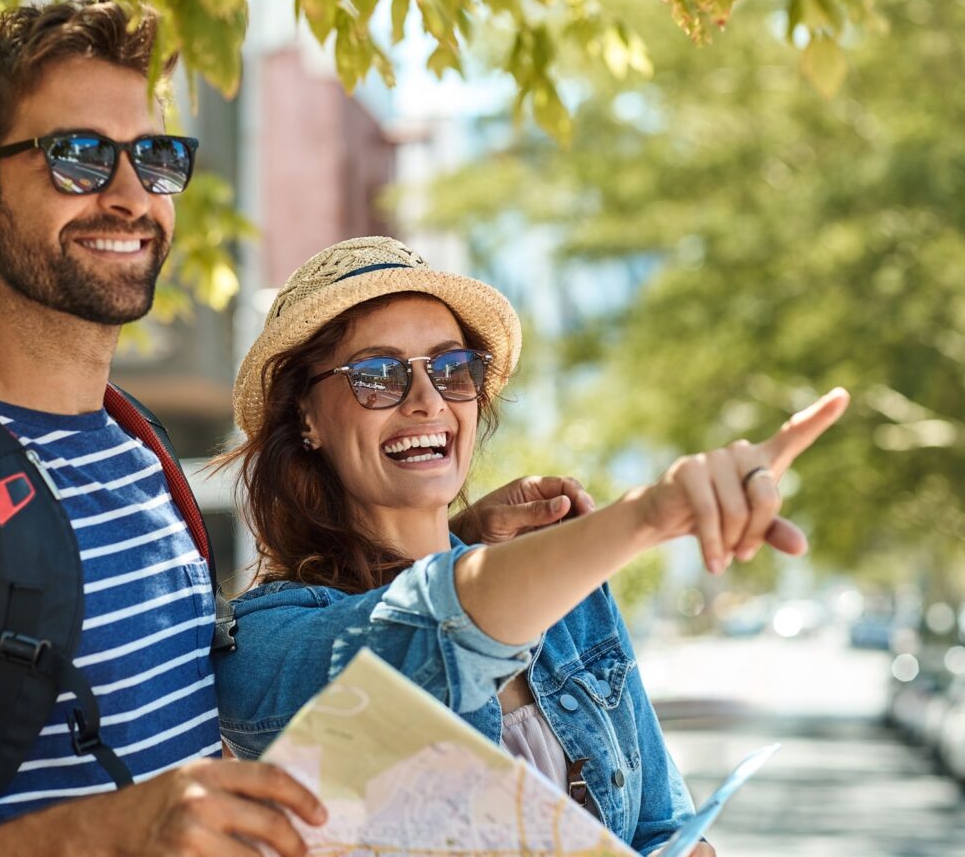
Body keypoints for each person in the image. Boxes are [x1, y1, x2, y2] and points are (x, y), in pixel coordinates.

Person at [0, 0, 586, 857]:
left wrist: (460, 539)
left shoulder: (132, 454)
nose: (131, 196)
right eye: (78, 157)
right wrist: (117, 831)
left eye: (155, 157)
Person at [214, 237, 849, 856]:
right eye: (377, 376)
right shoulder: (265, 641)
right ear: (305, 418)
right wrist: (650, 515)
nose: (427, 400)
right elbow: (433, 634)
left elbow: (663, 822)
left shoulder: (568, 595)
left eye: (451, 368)